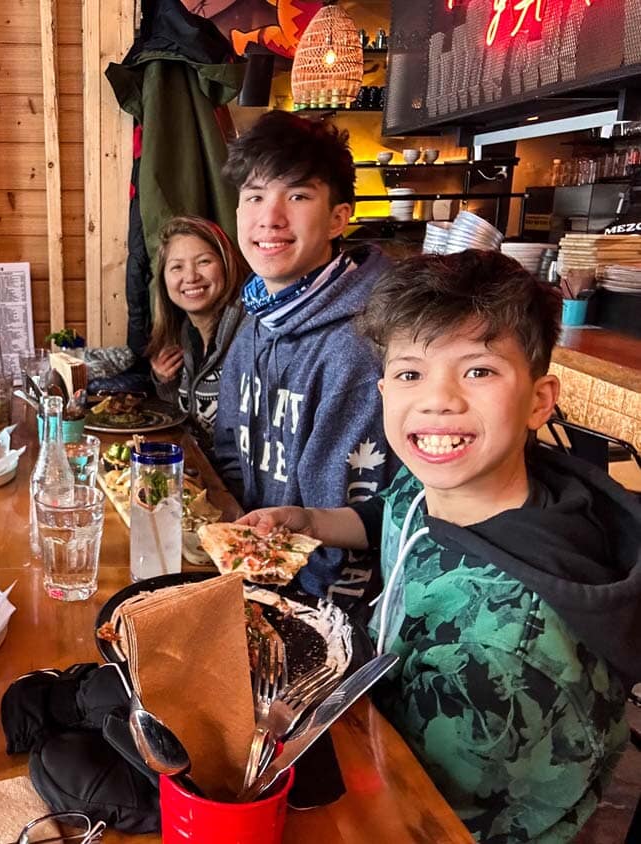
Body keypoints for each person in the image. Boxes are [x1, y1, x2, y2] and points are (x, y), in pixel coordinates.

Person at [239, 250, 638, 842]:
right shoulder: (446, 477)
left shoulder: (496, 654)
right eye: (410, 373)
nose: (437, 400)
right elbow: (394, 514)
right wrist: (311, 521)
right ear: (383, 391)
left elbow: (406, 803)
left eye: (478, 370)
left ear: (539, 399)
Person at [212, 111, 397, 600]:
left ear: (340, 217)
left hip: (322, 604)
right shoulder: (254, 317)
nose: (269, 218)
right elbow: (230, 448)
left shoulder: (361, 343)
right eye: (254, 196)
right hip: (254, 575)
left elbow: (366, 511)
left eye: (297, 196)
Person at [148, 215, 246, 452]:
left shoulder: (250, 333)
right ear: (164, 279)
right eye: (177, 267)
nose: (191, 277)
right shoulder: (184, 335)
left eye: (203, 262)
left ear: (226, 264)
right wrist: (166, 383)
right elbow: (184, 429)